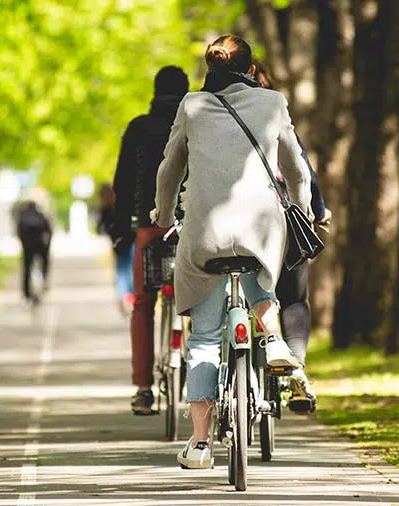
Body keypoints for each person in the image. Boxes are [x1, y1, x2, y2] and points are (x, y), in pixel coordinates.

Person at [151, 35, 311, 469]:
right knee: (263, 276)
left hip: (205, 231)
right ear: (250, 65)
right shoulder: (273, 102)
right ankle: (274, 339)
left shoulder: (192, 105)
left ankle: (200, 444)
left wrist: (163, 214)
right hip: (262, 228)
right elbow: (296, 168)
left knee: (203, 339)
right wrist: (305, 210)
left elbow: (170, 167)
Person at [109, 65, 190, 415]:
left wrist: (121, 229)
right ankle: (205, 378)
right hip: (191, 226)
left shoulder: (139, 128)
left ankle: (143, 388)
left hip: (149, 225)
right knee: (204, 305)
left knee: (143, 305)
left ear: (155, 92)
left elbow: (122, 181)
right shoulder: (197, 123)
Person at [253, 60, 332, 413]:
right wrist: (315, 210)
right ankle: (297, 366)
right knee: (295, 298)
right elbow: (303, 171)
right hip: (283, 218)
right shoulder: (274, 111)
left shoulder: (210, 113)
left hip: (232, 227)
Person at [97, 183, 135, 315]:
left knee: (122, 271)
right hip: (130, 241)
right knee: (129, 270)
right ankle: (129, 296)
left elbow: (100, 229)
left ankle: (123, 298)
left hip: (118, 244)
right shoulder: (122, 205)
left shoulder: (105, 209)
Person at [16, 200, 52, 304]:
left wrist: (23, 244)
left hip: (28, 247)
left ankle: (26, 294)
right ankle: (44, 280)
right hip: (40, 246)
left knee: (26, 269)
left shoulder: (23, 217)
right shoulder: (41, 216)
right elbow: (49, 231)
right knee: (44, 264)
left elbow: (19, 232)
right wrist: (47, 246)